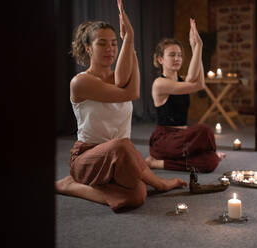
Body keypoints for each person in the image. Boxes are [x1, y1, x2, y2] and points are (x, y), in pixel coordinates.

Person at [55, 0, 187, 212]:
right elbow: (132, 93)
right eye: (101, 43)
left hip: (117, 159)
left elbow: (125, 85)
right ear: (88, 48)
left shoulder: (120, 77)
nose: (110, 48)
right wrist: (160, 183)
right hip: (87, 160)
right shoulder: (80, 82)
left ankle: (102, 184)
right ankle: (70, 184)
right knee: (122, 144)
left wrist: (129, 42)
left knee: (135, 197)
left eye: (114, 43)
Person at [146, 18, 225, 173]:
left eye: (180, 55)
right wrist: (197, 48)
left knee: (210, 163)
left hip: (183, 139)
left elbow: (199, 83)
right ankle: (156, 162)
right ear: (161, 59)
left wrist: (197, 47)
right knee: (205, 131)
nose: (177, 58)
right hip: (165, 141)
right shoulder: (159, 84)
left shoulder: (182, 80)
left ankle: (159, 163)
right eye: (172, 55)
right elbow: (194, 82)